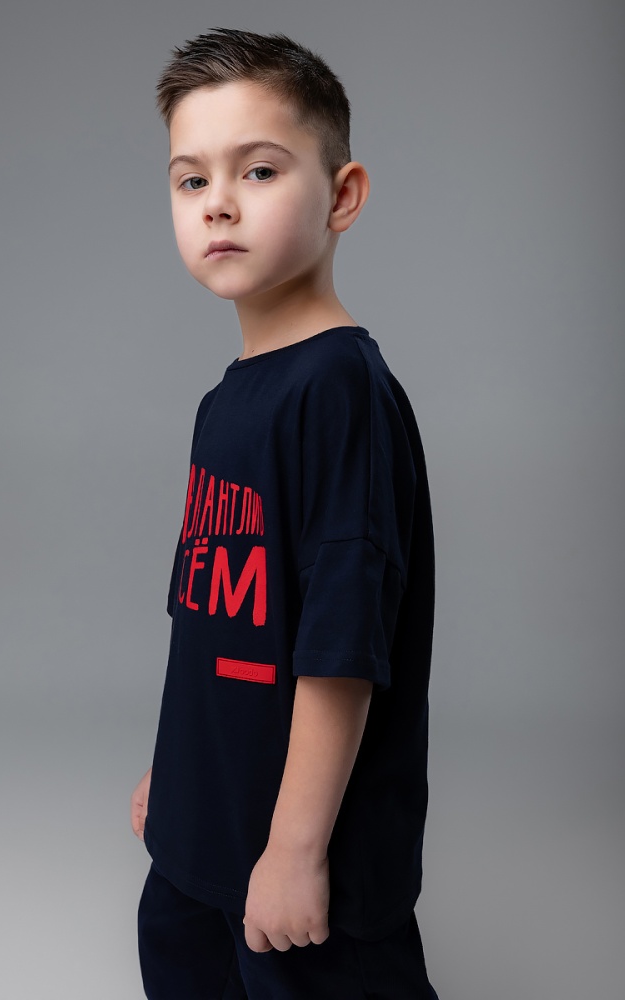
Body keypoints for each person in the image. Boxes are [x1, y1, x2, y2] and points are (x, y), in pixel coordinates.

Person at [130, 28, 439, 999]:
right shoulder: (225, 400)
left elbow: (339, 647)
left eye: (258, 170)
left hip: (298, 855)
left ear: (342, 196)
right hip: (205, 829)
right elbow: (210, 621)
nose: (217, 201)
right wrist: (174, 776)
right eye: (191, 179)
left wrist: (298, 850)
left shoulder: (340, 389)